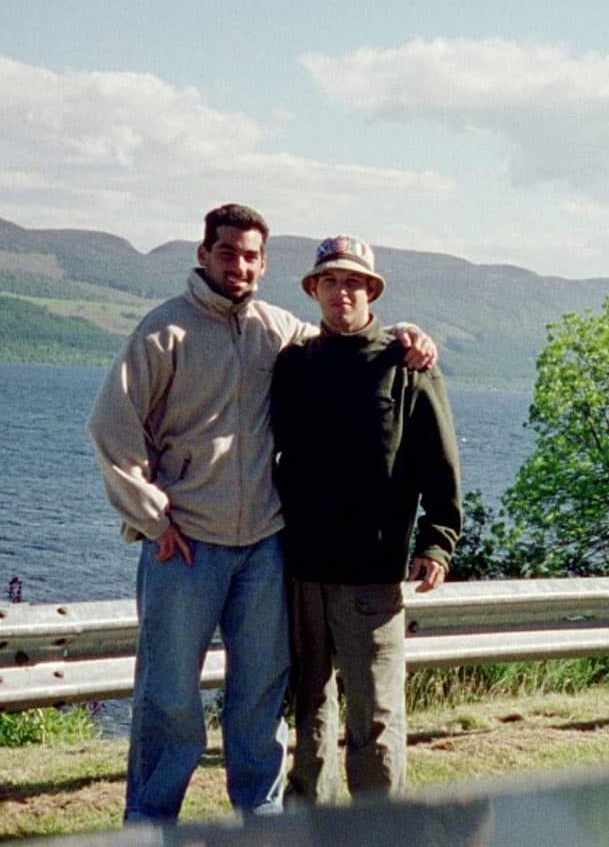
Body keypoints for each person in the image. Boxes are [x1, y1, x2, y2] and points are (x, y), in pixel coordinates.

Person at [87, 205, 437, 824]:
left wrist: (406, 335)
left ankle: (263, 823)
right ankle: (150, 825)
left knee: (260, 697)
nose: (240, 265)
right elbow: (112, 430)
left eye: (251, 256)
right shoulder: (163, 331)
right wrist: (152, 519)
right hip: (186, 546)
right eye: (228, 253)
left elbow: (345, 339)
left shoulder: (278, 329)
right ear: (204, 255)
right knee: (168, 698)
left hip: (265, 550)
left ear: (265, 264)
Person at [271, 234, 463, 805]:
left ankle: (382, 833)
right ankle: (313, 828)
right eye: (329, 281)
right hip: (301, 570)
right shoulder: (294, 364)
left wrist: (437, 541)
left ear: (371, 290)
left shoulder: (405, 364)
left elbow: (440, 461)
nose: (341, 292)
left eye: (354, 281)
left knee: (376, 719)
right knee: (309, 709)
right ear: (314, 290)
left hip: (371, 576)